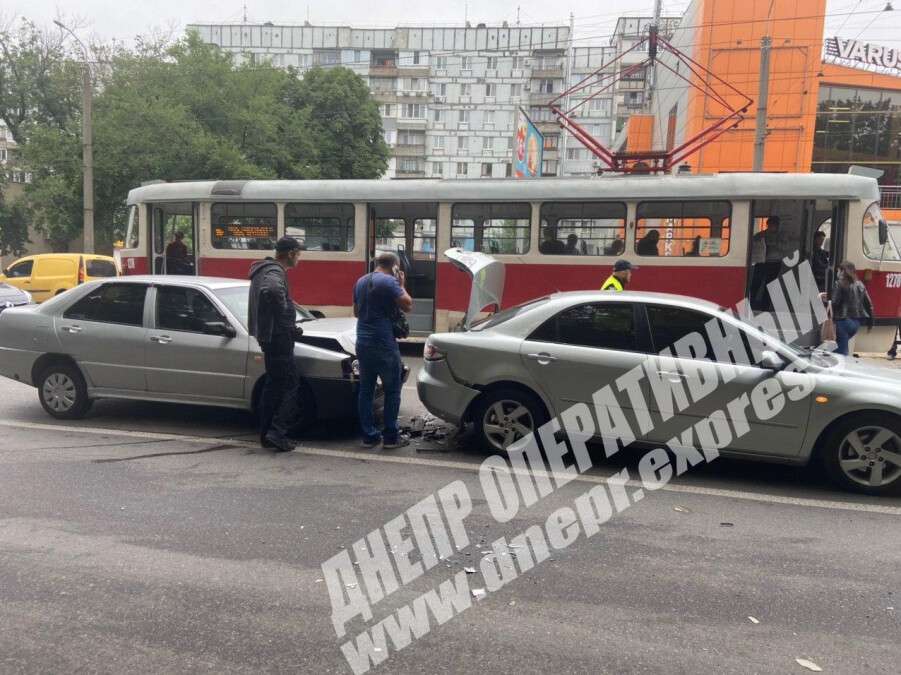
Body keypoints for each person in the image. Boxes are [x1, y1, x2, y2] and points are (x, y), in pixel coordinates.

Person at [248, 236, 305, 452]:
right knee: (291, 383)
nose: (299, 258)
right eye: (298, 254)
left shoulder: (262, 269)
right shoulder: (275, 271)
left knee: (273, 386)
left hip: (269, 336)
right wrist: (287, 324)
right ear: (290, 253)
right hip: (278, 337)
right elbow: (272, 290)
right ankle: (277, 432)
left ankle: (266, 434)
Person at [354, 252, 413, 449]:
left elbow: (356, 312)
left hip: (362, 341)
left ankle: (369, 436)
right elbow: (408, 305)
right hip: (383, 343)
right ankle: (390, 437)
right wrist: (402, 284)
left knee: (366, 390)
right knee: (392, 390)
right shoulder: (389, 282)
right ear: (395, 266)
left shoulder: (361, 280)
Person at [828, 260, 874, 356]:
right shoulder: (860, 284)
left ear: (843, 271)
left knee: (841, 353)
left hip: (843, 321)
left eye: (839, 270)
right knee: (839, 347)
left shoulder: (839, 283)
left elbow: (835, 303)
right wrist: (871, 323)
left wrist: (827, 299)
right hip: (856, 324)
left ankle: (841, 369)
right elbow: (869, 305)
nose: (837, 272)